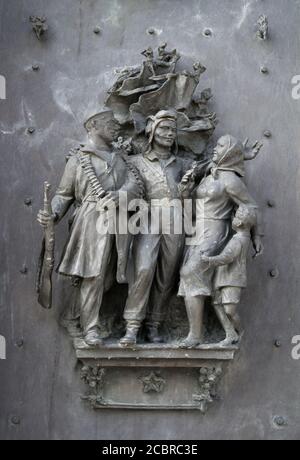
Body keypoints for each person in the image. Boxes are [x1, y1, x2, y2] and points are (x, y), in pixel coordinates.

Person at [37, 111, 140, 346]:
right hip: (92, 220)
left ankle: (72, 316)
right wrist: (52, 214)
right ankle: (90, 329)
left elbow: (135, 187)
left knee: (109, 278)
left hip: (121, 224)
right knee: (93, 275)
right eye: (110, 123)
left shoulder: (122, 159)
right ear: (93, 125)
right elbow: (64, 195)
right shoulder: (79, 160)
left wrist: (120, 196)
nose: (116, 127)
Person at [120, 110, 208, 346]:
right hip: (147, 216)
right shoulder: (135, 162)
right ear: (152, 130)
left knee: (167, 274)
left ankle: (154, 325)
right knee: (144, 269)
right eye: (164, 129)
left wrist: (186, 192)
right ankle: (132, 326)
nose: (169, 134)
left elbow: (208, 175)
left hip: (176, 218)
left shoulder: (183, 164)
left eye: (172, 130)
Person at [178, 135, 263, 348]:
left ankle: (195, 336)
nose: (215, 149)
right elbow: (192, 208)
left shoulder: (230, 180)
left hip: (216, 231)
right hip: (198, 230)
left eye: (221, 146)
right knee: (192, 278)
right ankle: (214, 332)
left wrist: (256, 236)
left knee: (190, 273)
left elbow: (251, 207)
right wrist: (186, 192)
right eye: (216, 145)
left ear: (229, 153)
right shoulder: (208, 175)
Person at [201, 205, 257, 346]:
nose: (233, 218)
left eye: (236, 216)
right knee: (218, 304)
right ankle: (230, 333)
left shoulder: (238, 240)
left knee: (229, 310)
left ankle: (240, 331)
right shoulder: (241, 236)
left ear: (238, 223)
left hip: (232, 279)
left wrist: (208, 259)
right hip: (223, 277)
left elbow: (226, 257)